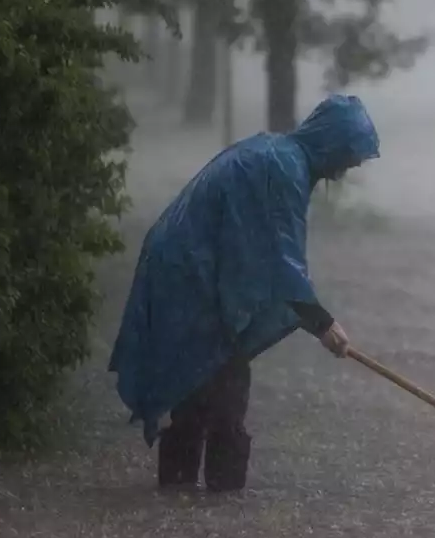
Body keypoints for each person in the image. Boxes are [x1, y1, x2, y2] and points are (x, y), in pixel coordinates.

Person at [109, 94, 380, 492]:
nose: (343, 171)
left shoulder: (279, 156)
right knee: (219, 378)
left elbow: (264, 255)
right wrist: (322, 323)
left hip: (192, 270)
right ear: (331, 143)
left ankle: (182, 505)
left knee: (205, 376)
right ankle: (216, 497)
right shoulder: (281, 169)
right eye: (347, 158)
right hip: (189, 275)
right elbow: (280, 262)